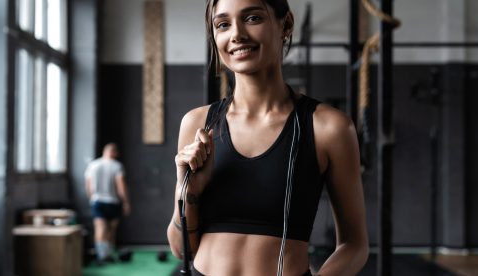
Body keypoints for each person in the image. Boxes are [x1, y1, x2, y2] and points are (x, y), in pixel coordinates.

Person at [167, 0, 368, 275]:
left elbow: (355, 245)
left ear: (285, 24)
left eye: (252, 19)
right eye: (223, 24)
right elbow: (181, 249)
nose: (236, 34)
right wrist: (187, 189)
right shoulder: (197, 123)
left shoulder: (329, 127)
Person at [85, 143, 131, 264]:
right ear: (114, 152)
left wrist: (91, 198)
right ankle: (106, 254)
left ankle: (102, 255)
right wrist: (126, 202)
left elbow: (88, 184)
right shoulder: (117, 166)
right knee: (110, 229)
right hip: (112, 202)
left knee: (100, 228)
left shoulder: (93, 164)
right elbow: (121, 186)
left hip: (97, 201)